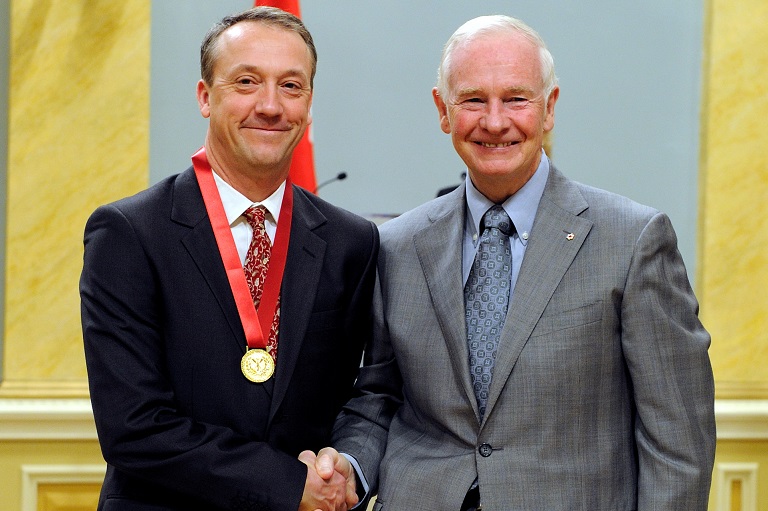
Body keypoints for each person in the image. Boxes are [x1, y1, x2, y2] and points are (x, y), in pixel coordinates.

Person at [329, 14, 716, 510]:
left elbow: (678, 440)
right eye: (472, 99)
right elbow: (379, 397)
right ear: (442, 111)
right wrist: (350, 467)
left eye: (516, 98)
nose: (494, 121)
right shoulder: (397, 245)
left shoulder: (633, 240)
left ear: (549, 107)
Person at [80, 7, 376, 511]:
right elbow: (132, 427)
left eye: (291, 86)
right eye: (246, 82)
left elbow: (367, 391)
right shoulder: (129, 233)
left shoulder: (352, 241)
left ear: (309, 104)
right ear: (204, 97)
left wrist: (345, 464)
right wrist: (286, 485)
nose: (269, 105)